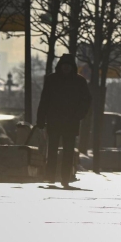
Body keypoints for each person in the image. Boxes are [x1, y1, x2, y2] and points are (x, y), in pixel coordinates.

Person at [36, 54, 92, 188]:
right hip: (59, 121)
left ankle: (64, 178)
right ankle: (52, 177)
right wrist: (40, 119)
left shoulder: (76, 81)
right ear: (60, 66)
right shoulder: (72, 81)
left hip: (68, 121)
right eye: (64, 66)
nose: (66, 68)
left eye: (68, 66)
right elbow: (44, 100)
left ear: (71, 67)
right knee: (53, 150)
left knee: (67, 152)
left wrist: (79, 115)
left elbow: (86, 101)